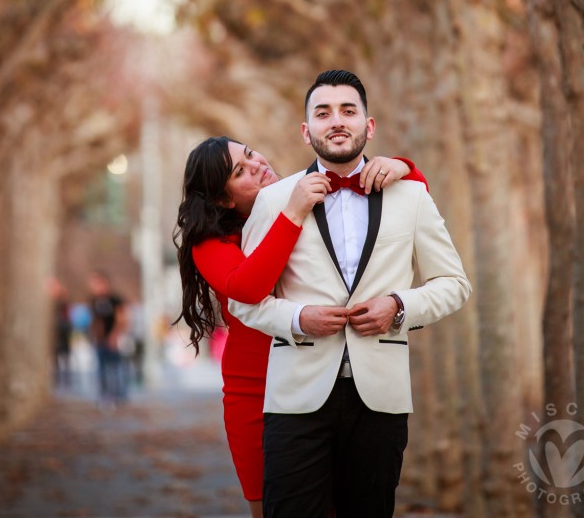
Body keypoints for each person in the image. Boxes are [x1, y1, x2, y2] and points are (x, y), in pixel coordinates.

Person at [230, 69, 471, 518]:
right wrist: (299, 318)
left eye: (348, 110)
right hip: (296, 398)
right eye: (323, 113)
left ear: (369, 125)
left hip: (380, 397)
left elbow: (454, 285)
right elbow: (244, 301)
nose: (336, 121)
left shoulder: (411, 196)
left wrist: (399, 306)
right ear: (307, 131)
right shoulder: (274, 200)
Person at [174, 136, 428, 518]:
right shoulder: (213, 242)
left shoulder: (307, 197)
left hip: (326, 380)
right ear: (224, 199)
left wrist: (403, 166)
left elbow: (411, 202)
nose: (256, 164)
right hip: (256, 391)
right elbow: (247, 287)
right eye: (239, 172)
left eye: (249, 153)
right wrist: (291, 214)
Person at [88, 270, 129, 404]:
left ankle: (119, 395)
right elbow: (95, 320)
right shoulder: (93, 301)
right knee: (101, 368)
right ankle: (104, 394)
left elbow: (122, 319)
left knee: (116, 368)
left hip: (114, 338)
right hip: (100, 340)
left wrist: (115, 335)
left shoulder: (115, 300)